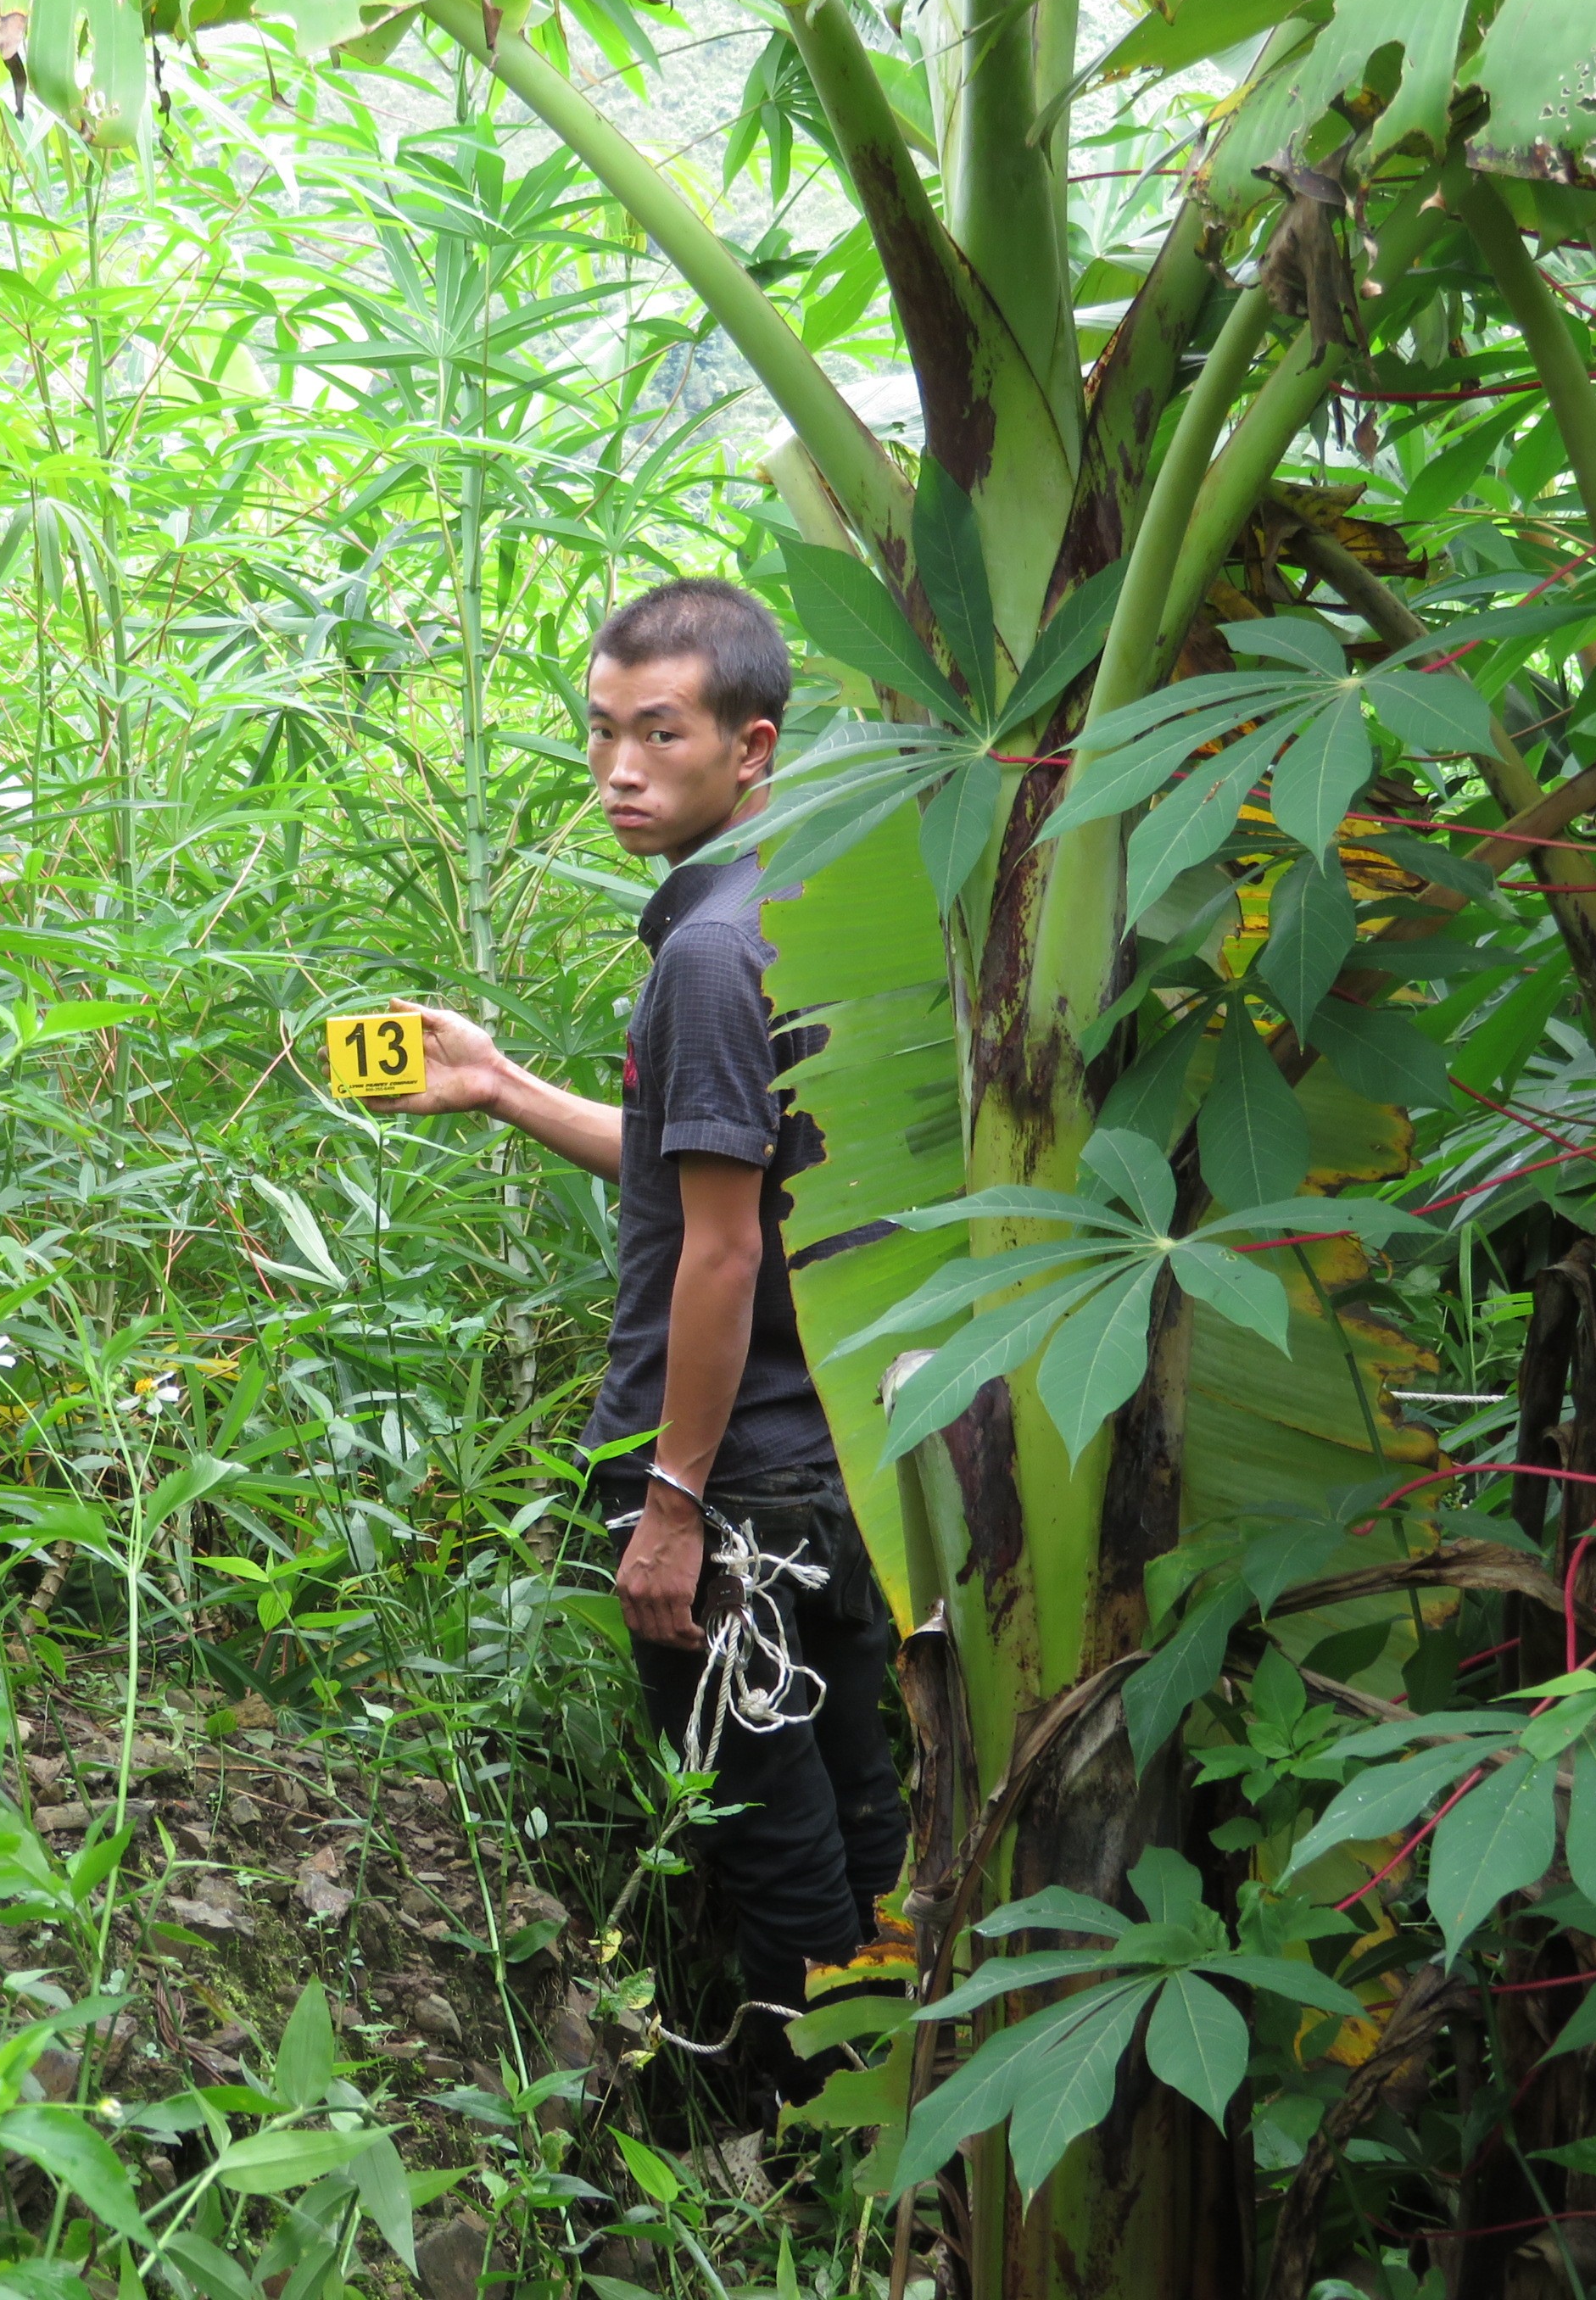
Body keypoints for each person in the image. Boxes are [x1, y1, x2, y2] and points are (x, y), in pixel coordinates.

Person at [371, 578, 908, 2107]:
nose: (619, 767)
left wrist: (672, 1504)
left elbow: (726, 1250)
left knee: (770, 1838)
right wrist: (501, 1088)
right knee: (858, 1811)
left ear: (751, 747)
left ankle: (821, 2157)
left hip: (733, 1490)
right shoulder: (799, 909)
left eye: (657, 734)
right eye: (601, 731)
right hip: (831, 1463)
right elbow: (711, 1171)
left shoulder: (706, 954)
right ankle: (903, 2136)